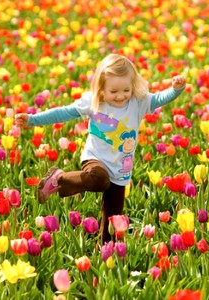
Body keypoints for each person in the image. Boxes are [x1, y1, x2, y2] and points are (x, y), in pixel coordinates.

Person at [15, 53, 186, 243]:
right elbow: (64, 112)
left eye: (126, 90)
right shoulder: (94, 102)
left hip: (121, 170)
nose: (121, 96)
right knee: (100, 179)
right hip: (94, 158)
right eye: (113, 91)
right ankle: (59, 179)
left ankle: (107, 250)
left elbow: (161, 98)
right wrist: (33, 119)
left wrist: (176, 89)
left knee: (113, 218)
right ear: (101, 88)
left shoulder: (138, 102)